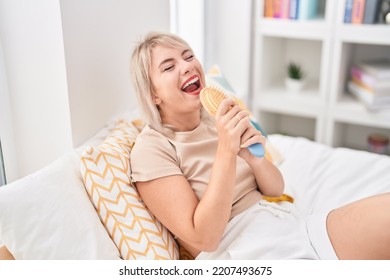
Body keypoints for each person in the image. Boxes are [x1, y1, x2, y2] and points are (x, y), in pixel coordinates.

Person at [130, 31, 390, 260]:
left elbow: (276, 188)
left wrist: (255, 158)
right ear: (153, 94)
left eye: (188, 56)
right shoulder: (151, 149)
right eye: (168, 67)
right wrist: (226, 151)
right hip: (249, 252)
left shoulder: (215, 119)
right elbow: (205, 238)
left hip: (293, 223)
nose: (187, 67)